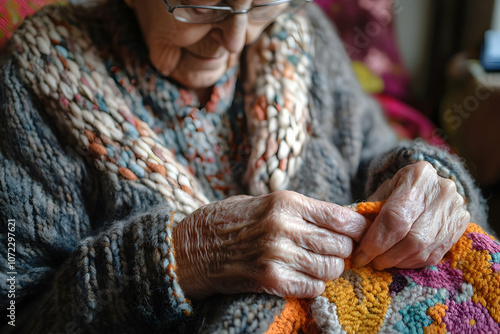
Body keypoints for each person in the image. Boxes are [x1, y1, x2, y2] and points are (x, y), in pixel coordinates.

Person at [0, 0, 490, 332]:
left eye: (260, 4)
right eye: (201, 4)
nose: (235, 39)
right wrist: (178, 258)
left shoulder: (300, 29)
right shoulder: (35, 74)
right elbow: (15, 312)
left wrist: (431, 181)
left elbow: (375, 157)